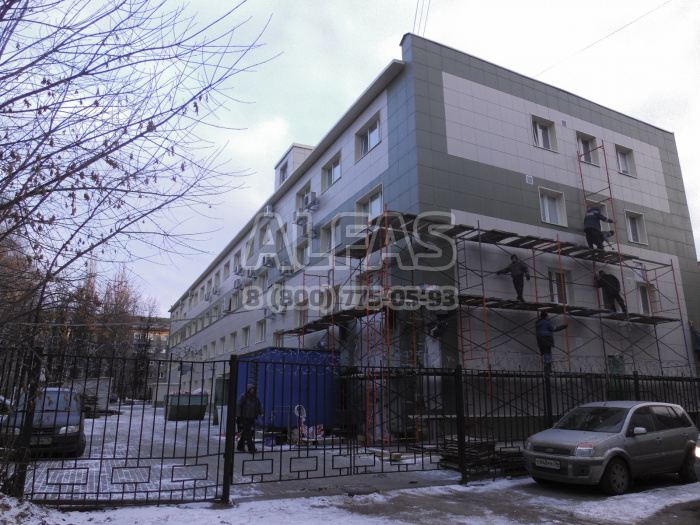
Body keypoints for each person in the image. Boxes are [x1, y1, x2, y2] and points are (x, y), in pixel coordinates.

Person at [236, 384, 263, 453]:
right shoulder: (243, 396)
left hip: (252, 417)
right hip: (245, 417)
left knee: (245, 432)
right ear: (248, 389)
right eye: (251, 389)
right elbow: (239, 406)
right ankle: (251, 448)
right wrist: (238, 416)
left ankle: (240, 446)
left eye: (253, 389)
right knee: (248, 433)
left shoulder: (255, 398)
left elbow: (259, 406)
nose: (252, 390)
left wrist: (262, 413)